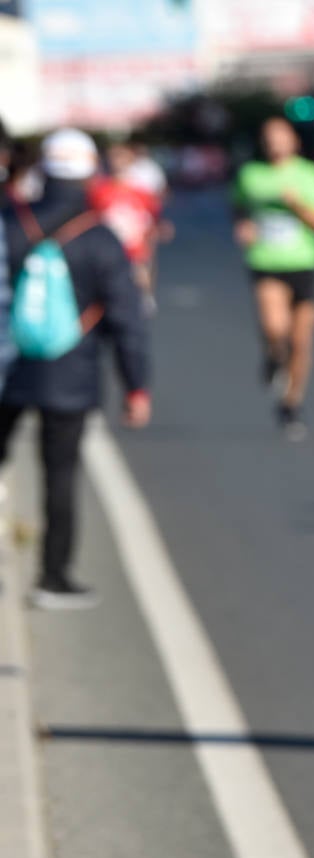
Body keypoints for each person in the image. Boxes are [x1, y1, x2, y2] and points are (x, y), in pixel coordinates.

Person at [0, 128, 150, 610]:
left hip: (8, 366)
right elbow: (127, 317)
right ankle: (54, 577)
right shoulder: (100, 236)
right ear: (91, 173)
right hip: (71, 372)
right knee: (60, 475)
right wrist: (136, 385)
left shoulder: (9, 223)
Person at [231, 117, 314, 442]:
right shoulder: (251, 175)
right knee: (274, 327)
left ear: (294, 141)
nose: (274, 143)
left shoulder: (309, 174)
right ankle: (272, 356)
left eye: (280, 137)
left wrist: (298, 207)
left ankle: (291, 403)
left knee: (301, 341)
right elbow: (238, 207)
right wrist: (244, 225)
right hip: (266, 261)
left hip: (303, 263)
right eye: (268, 137)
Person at [89, 142, 165, 314]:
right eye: (113, 158)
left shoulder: (141, 192)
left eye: (121, 158)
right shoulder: (98, 191)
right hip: (106, 245)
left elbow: (153, 215)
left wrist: (154, 231)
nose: (117, 162)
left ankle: (144, 297)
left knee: (140, 275)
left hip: (135, 245)